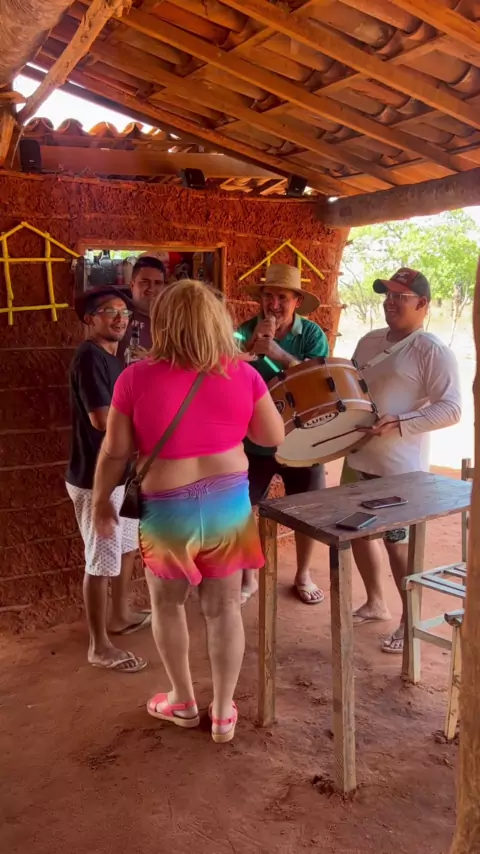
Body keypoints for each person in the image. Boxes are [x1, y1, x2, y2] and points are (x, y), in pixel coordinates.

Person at [92, 280, 285, 742]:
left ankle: (181, 700)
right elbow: (271, 436)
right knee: (224, 609)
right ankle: (222, 712)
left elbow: (115, 451)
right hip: (227, 505)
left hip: (168, 507)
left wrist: (101, 500)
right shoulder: (245, 375)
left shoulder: (134, 378)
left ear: (163, 323)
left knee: (167, 605)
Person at [343, 268, 461, 653]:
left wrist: (401, 422)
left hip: (399, 470)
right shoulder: (369, 341)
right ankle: (375, 602)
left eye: (400, 296)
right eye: (387, 295)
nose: (389, 302)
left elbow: (452, 408)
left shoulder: (432, 350)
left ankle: (409, 619)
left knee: (398, 545)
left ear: (422, 304)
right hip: (358, 455)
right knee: (357, 534)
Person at [66, 286, 150, 672]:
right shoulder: (90, 358)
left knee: (126, 547)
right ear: (90, 319)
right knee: (100, 561)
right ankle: (98, 645)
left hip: (121, 476)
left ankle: (120, 615)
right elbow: (101, 420)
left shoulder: (114, 357)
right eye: (109, 311)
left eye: (124, 312)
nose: (120, 318)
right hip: (95, 478)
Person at [236, 263, 329, 605]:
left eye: (282, 298)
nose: (273, 305)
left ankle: (303, 574)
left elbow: (318, 380)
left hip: (303, 438)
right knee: (242, 508)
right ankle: (249, 577)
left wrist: (276, 352)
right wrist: (252, 343)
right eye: (268, 297)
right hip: (254, 440)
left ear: (297, 301)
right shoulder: (244, 330)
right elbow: (229, 364)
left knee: (307, 509)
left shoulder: (312, 335)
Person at [117, 255, 166, 363]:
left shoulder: (173, 321)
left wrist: (150, 358)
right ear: (132, 285)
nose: (151, 289)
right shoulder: (118, 317)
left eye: (157, 283)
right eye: (145, 282)